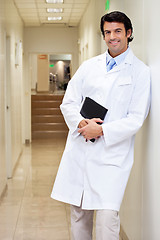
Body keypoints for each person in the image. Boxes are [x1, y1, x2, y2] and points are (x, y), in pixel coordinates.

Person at [51, 11, 151, 240]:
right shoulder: (89, 66)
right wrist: (81, 122)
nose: (112, 37)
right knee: (79, 215)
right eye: (107, 32)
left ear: (129, 33)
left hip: (111, 156)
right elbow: (69, 102)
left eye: (117, 31)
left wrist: (102, 130)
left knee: (107, 219)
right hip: (81, 149)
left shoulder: (140, 72)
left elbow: (136, 117)